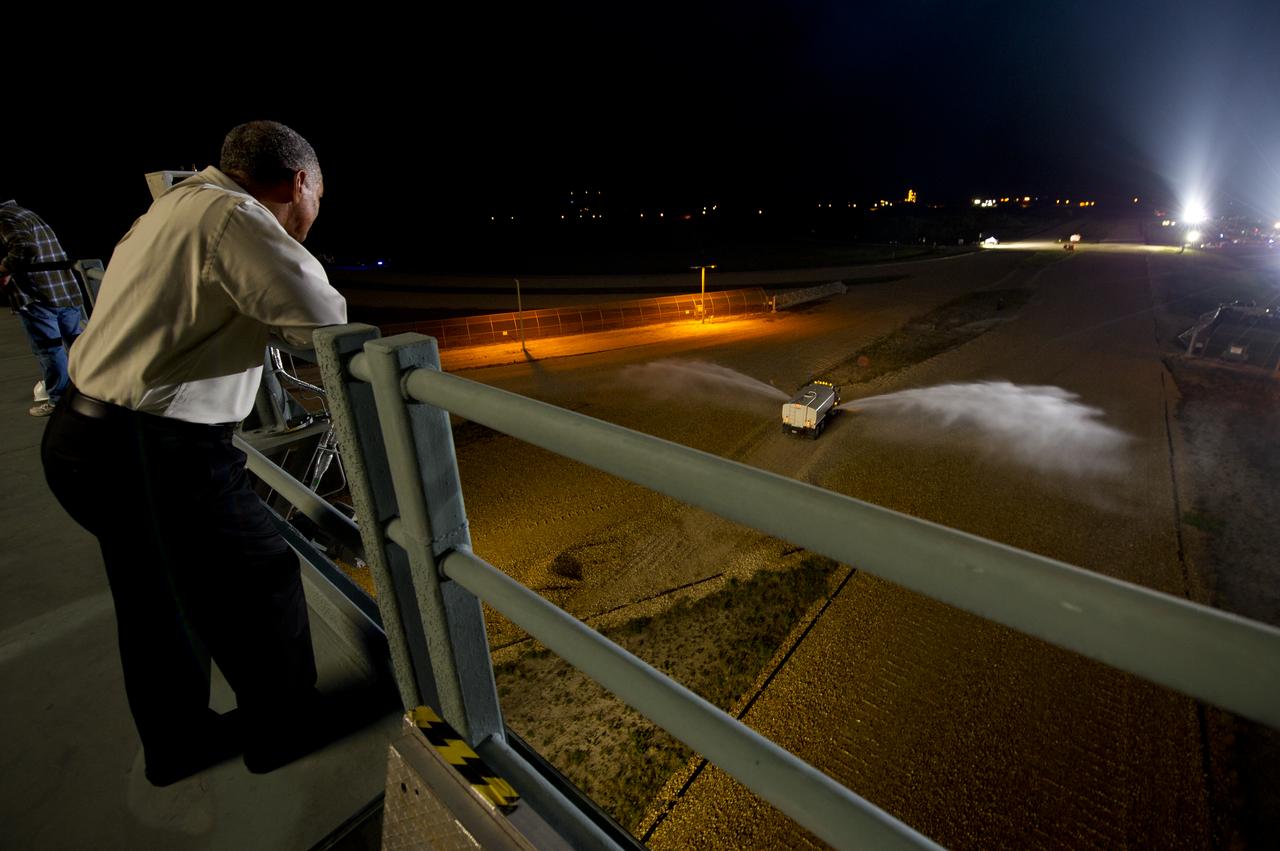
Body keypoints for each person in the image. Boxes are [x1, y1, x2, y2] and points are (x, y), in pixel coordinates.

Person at [40, 121, 352, 786]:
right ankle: (285, 729)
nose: (312, 214)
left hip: (82, 434)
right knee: (258, 578)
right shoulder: (236, 219)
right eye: (317, 198)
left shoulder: (176, 203)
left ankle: (177, 742)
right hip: (152, 451)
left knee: (156, 595)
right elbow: (324, 317)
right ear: (299, 183)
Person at [0, 200, 85, 416]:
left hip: (38, 294)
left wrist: (5, 266)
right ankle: (92, 391)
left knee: (49, 349)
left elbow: (23, 247)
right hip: (63, 288)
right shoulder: (24, 213)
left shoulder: (4, 217)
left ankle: (60, 401)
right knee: (78, 344)